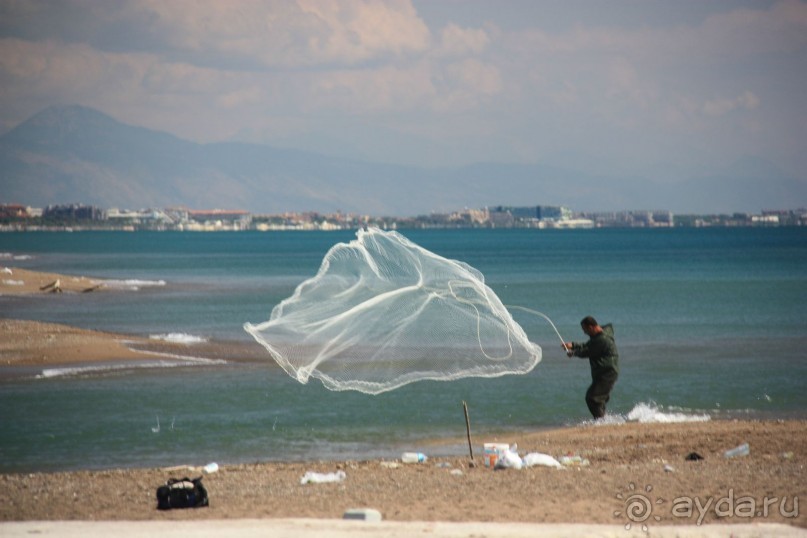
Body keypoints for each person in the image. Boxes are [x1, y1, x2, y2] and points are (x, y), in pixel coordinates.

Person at [563, 316, 619, 419]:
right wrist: (573, 345)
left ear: (591, 327)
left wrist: (573, 353)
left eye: (585, 330)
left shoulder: (602, 339)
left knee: (592, 398)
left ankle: (600, 422)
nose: (585, 333)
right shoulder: (598, 336)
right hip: (604, 373)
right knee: (599, 399)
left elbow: (588, 351)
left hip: (607, 373)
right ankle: (603, 421)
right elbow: (589, 345)